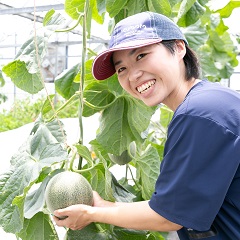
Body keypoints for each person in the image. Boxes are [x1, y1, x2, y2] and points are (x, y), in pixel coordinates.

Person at [53, 11, 240, 239]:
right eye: (121, 69)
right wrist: (102, 207)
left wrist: (91, 214)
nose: (133, 75)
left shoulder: (199, 113)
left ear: (179, 48)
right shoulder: (209, 100)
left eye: (141, 56)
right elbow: (174, 206)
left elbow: (168, 216)